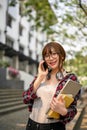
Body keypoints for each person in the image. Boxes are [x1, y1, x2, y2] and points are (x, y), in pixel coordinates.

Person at [23, 41, 80, 130]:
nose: (50, 58)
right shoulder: (41, 76)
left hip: (54, 127)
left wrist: (63, 111)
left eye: (54, 54)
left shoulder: (70, 78)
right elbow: (26, 98)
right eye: (47, 56)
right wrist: (40, 77)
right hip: (31, 125)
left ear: (62, 56)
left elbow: (73, 109)